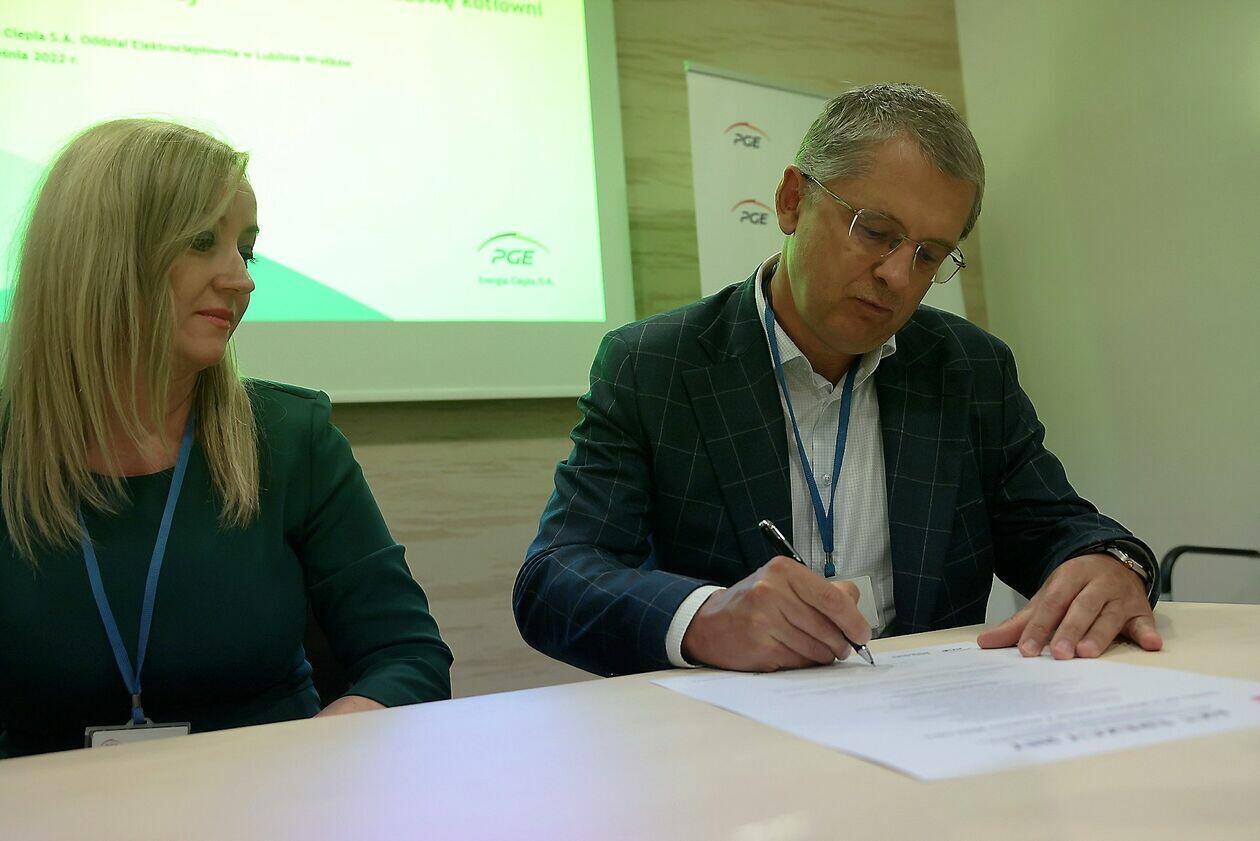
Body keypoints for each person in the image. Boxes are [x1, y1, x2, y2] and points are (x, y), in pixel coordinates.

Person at [514, 83, 1162, 676]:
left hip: (932, 720)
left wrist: (1113, 563)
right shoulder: (655, 365)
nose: (898, 276)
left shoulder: (969, 368)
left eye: (929, 255)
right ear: (792, 201)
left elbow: (1055, 527)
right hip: (734, 736)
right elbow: (555, 576)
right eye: (876, 232)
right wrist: (707, 616)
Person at [0, 119, 452, 757]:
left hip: (269, 794)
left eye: (246, 250)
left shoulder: (292, 438)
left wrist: (302, 761)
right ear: (100, 254)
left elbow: (408, 657)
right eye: (202, 242)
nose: (241, 279)